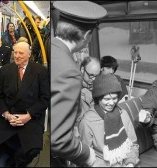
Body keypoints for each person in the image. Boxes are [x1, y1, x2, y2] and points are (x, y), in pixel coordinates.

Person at [51, 1, 107, 166]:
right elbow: (59, 139)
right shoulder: (70, 72)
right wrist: (88, 155)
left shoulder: (52, 48)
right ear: (87, 35)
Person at [0, 42, 50, 167]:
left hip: (31, 114)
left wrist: (28, 115)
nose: (17, 56)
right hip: (9, 112)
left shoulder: (40, 71)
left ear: (29, 54)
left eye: (21, 53)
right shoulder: (4, 70)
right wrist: (6, 114)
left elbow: (45, 98)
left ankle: (17, 161)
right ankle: (9, 153)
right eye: (15, 52)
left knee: (32, 149)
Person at [78, 74, 140, 167]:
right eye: (107, 99)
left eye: (114, 98)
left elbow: (133, 144)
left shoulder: (123, 114)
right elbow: (85, 157)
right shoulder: (87, 121)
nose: (111, 103)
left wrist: (130, 163)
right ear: (98, 98)